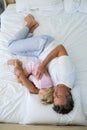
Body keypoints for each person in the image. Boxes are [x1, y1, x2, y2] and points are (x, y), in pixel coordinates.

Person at [8, 14, 76, 114]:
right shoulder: (67, 74)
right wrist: (43, 65)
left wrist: (24, 78)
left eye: (54, 97)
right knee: (11, 46)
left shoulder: (59, 87)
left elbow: (37, 90)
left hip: (39, 54)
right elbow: (60, 48)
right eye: (59, 96)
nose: (55, 94)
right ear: (67, 93)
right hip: (45, 45)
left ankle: (31, 31)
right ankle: (30, 24)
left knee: (16, 52)